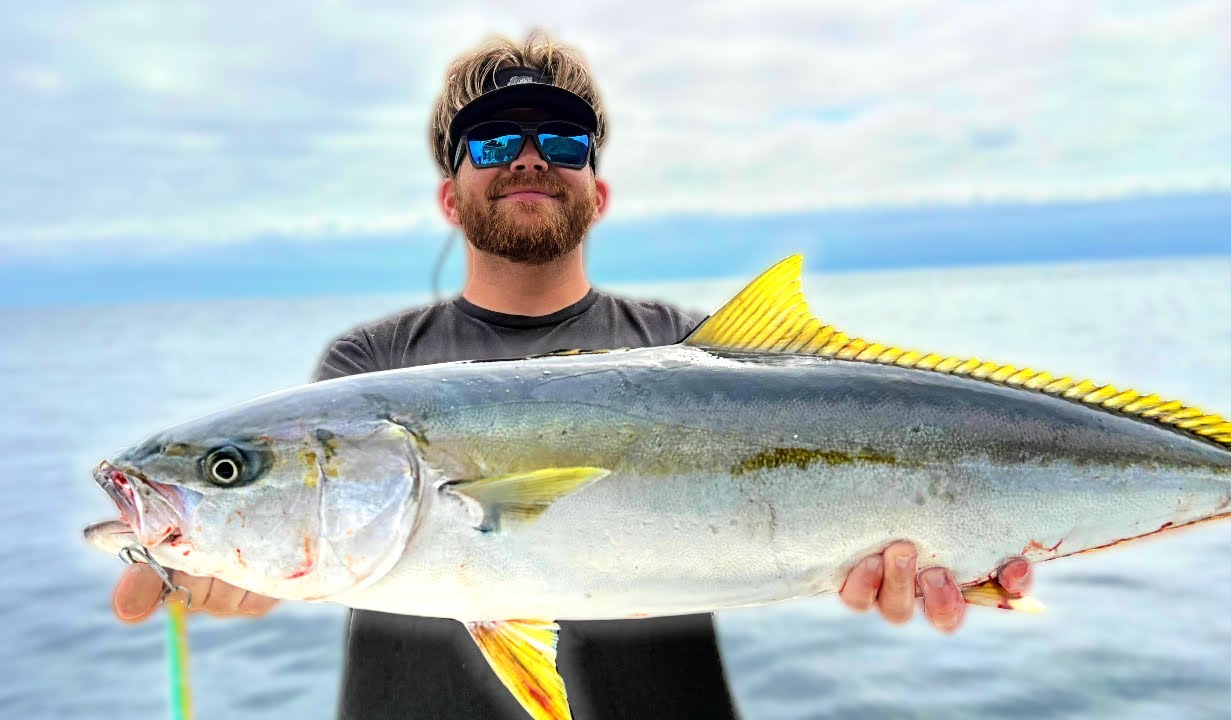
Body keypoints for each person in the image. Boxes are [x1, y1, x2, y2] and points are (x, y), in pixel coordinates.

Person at [111, 29, 1033, 719]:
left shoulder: (693, 348)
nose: (525, 158)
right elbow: (328, 551)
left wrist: (959, 564)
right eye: (488, 142)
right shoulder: (368, 367)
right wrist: (229, 570)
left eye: (562, 142)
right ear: (449, 193)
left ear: (598, 188)